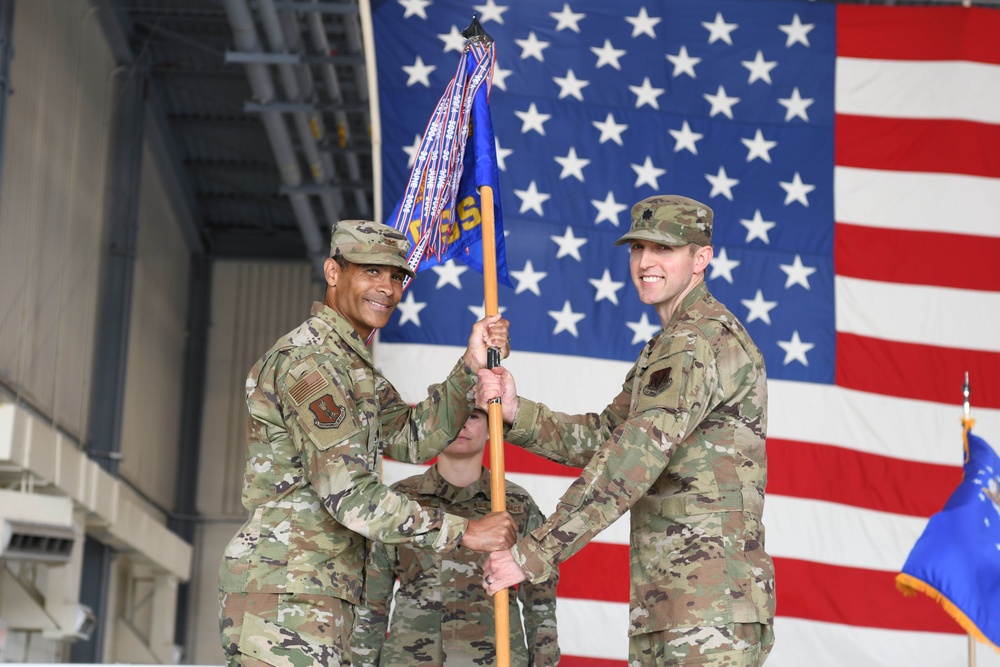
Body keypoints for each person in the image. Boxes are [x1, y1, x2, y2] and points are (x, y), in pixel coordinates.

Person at [477, 196, 775, 666]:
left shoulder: (696, 339)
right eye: (638, 248)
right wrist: (518, 414)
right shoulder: (671, 342)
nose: (645, 262)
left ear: (701, 259)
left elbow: (632, 459)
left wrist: (536, 551)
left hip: (706, 607)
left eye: (664, 249)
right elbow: (607, 437)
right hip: (675, 601)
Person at [218, 219, 517, 667]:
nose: (388, 287)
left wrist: (470, 365)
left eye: (397, 276)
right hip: (286, 596)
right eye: (371, 271)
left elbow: (414, 438)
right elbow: (350, 493)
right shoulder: (312, 361)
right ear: (333, 272)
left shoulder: (350, 364)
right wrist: (465, 531)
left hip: (318, 592)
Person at [351, 407, 560, 667]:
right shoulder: (399, 501)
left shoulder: (516, 505)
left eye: (473, 416)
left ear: (490, 428)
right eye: (453, 413)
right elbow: (371, 605)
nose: (461, 423)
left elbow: (540, 605)